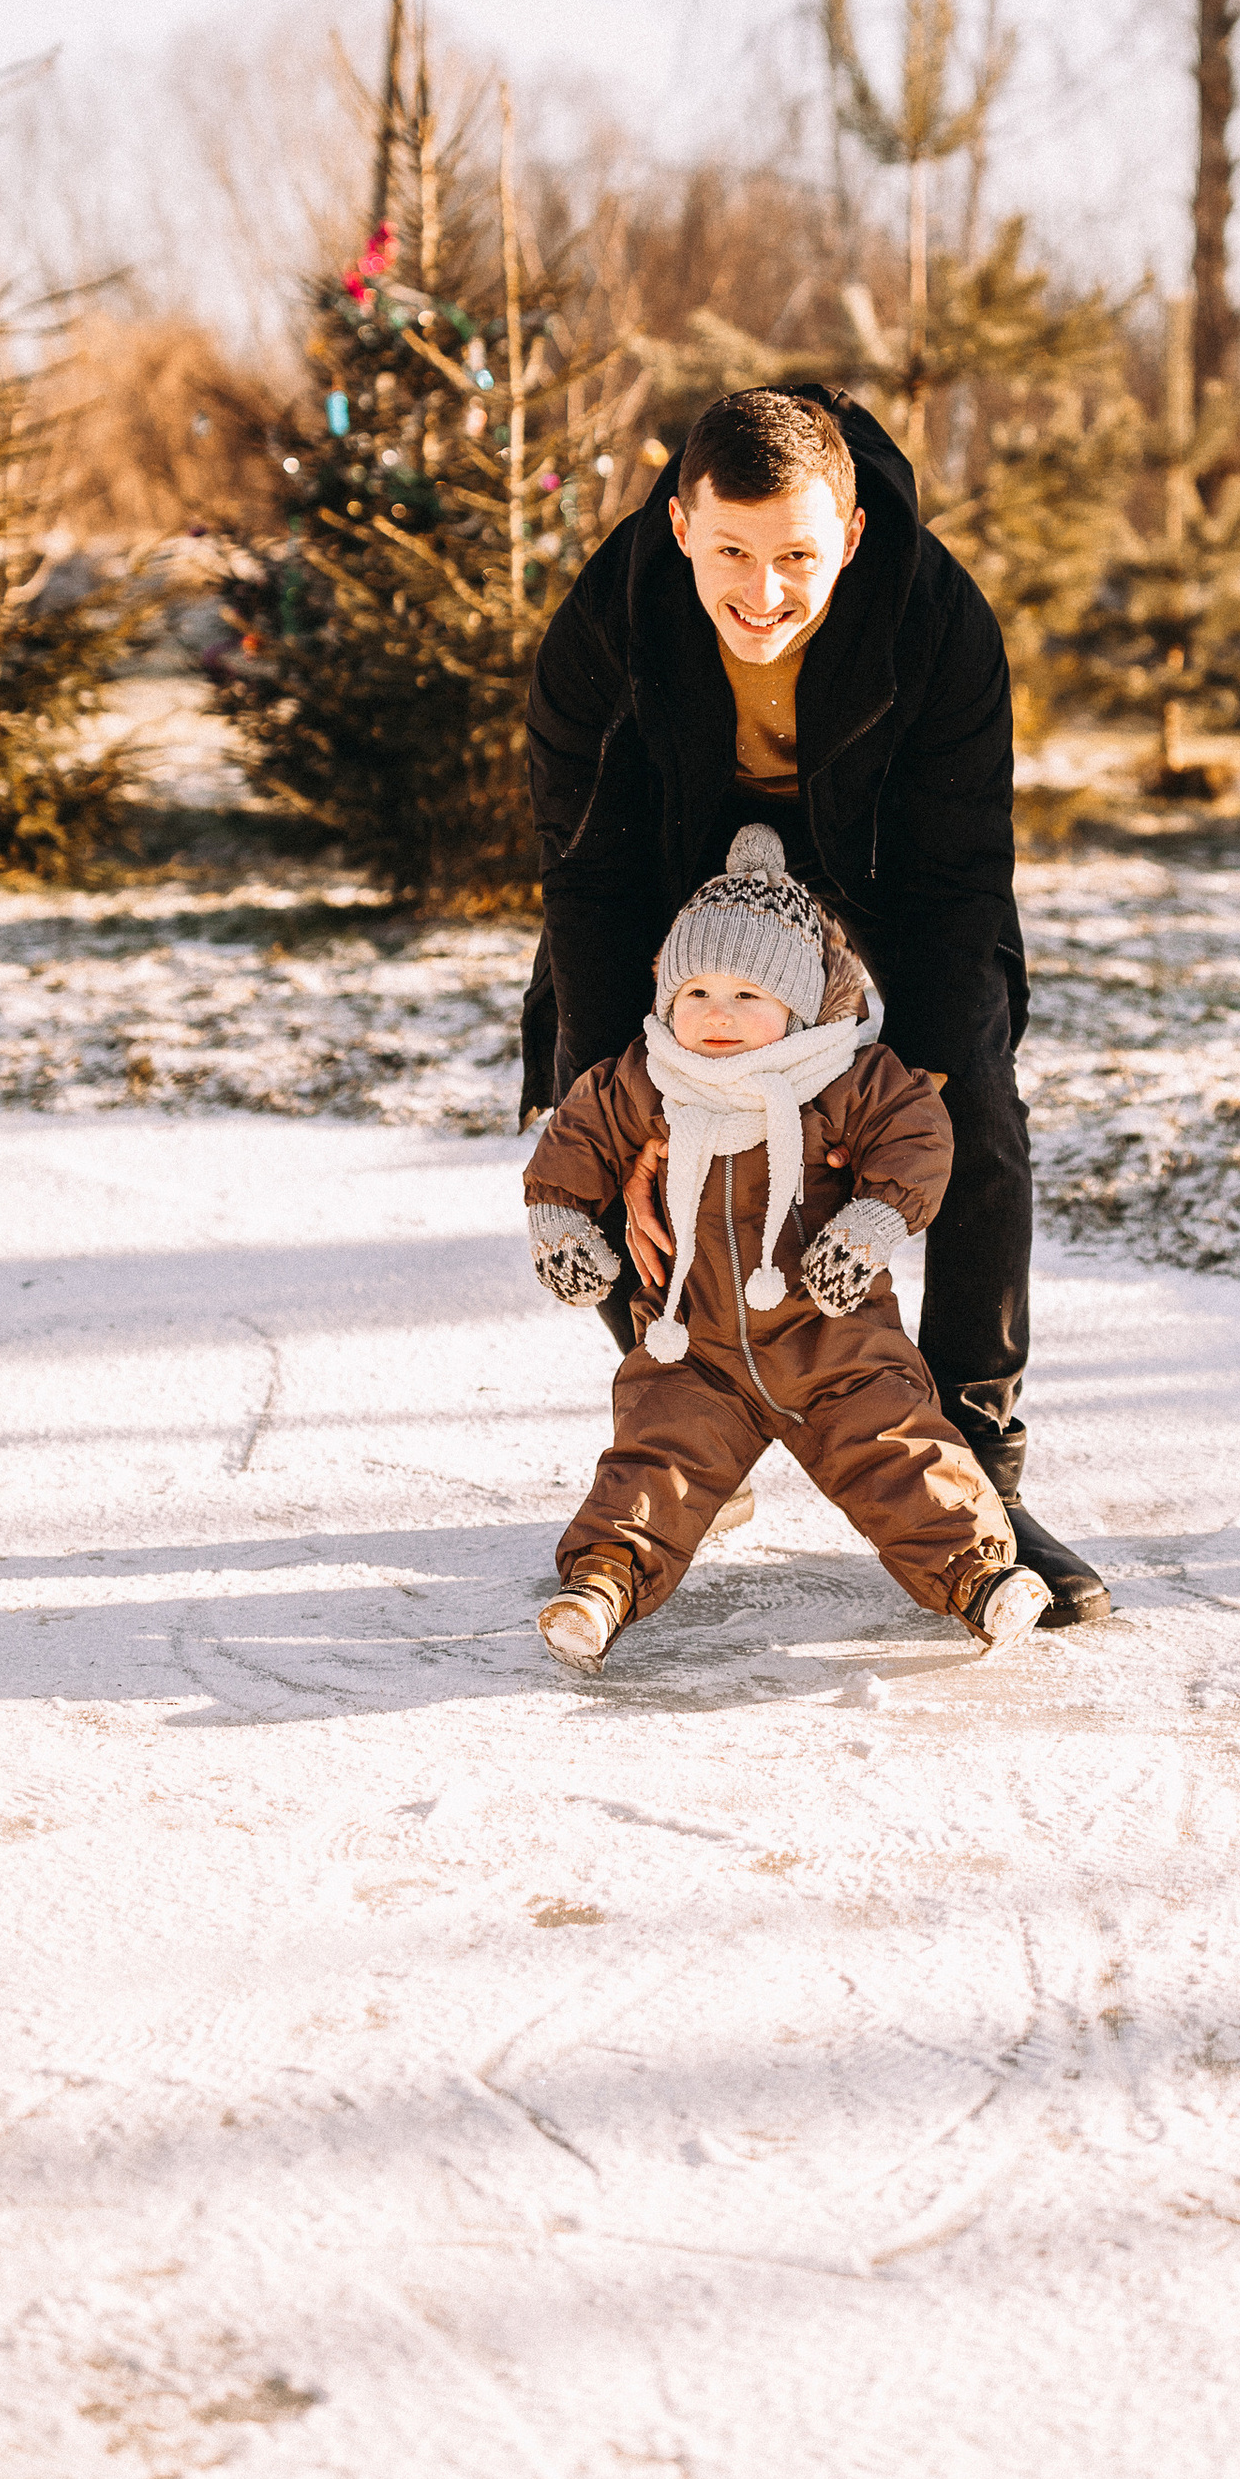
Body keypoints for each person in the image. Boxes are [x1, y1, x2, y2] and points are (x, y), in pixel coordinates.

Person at [521, 381, 1110, 1621]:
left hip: (893, 866)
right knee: (604, 1105)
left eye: (797, 555)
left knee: (978, 1115)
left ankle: (979, 1470)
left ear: (847, 535)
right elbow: (588, 874)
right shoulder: (601, 629)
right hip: (675, 861)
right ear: (680, 523)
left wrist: (935, 1095)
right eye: (731, 551)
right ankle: (682, 1422)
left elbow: (958, 878)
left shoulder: (937, 620)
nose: (764, 591)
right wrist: (633, 1106)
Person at [523, 823, 1051, 1664]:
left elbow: (915, 1135)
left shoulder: (843, 1075)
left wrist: (874, 1220)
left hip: (835, 1344)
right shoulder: (645, 1075)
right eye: (695, 994)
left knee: (899, 1454)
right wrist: (559, 1220)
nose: (717, 1016)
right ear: (665, 999)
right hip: (691, 1348)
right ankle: (602, 1584)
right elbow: (577, 1138)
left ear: (799, 1004)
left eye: (747, 996)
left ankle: (977, 1577)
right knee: (655, 1463)